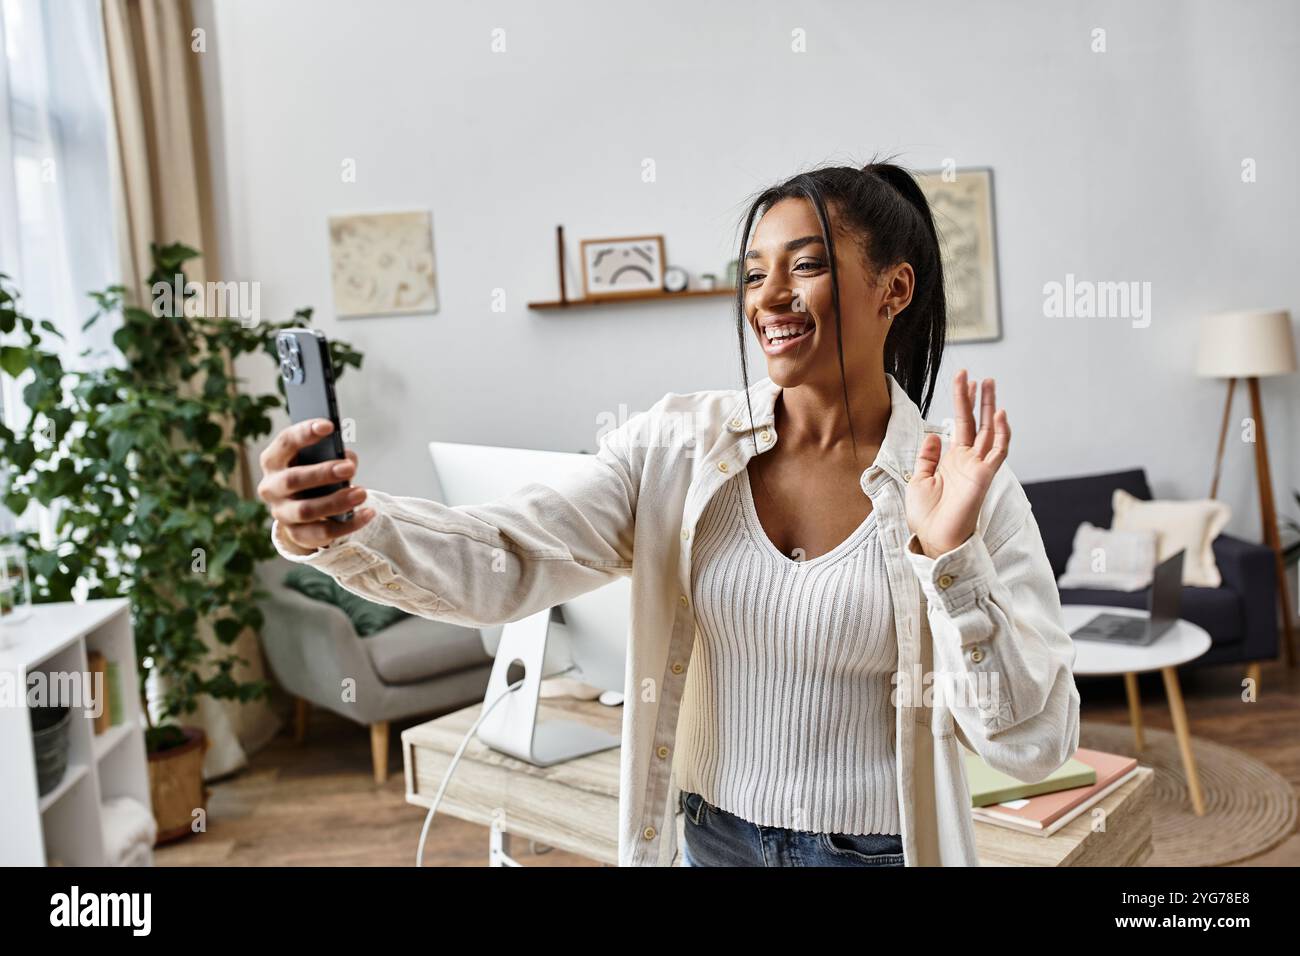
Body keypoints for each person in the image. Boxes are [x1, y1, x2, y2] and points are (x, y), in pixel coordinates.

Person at [259, 160, 1080, 867]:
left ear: (893, 288)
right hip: (710, 839)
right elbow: (507, 555)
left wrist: (951, 562)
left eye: (806, 265)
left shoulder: (963, 485)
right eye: (754, 273)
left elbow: (1032, 741)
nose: (771, 297)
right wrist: (346, 526)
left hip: (875, 850)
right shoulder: (679, 448)